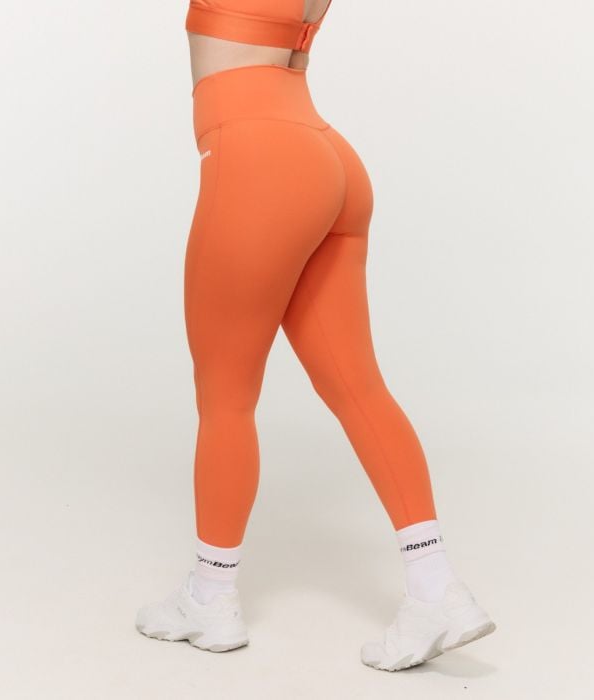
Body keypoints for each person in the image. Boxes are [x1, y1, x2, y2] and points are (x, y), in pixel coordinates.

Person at [135, 0, 496, 671]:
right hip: (326, 154)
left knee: (226, 396)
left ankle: (210, 596)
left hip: (259, 158)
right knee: (359, 388)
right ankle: (436, 588)